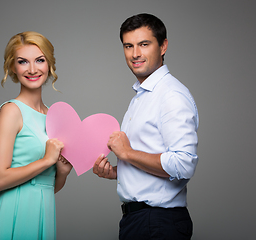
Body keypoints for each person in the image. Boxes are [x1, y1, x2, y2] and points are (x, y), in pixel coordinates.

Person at [93, 13, 199, 240]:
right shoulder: (143, 96)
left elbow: (183, 164)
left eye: (144, 44)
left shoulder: (170, 95)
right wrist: (118, 171)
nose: (135, 54)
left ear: (163, 46)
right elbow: (147, 157)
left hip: (158, 223)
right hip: (140, 221)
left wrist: (127, 153)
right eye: (128, 46)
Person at [0, 31, 72, 240]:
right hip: (11, 212)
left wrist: (62, 172)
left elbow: (47, 187)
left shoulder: (55, 115)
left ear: (49, 65)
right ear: (13, 68)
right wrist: (46, 160)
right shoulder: (12, 111)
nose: (33, 69)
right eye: (23, 62)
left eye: (40, 60)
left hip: (42, 213)